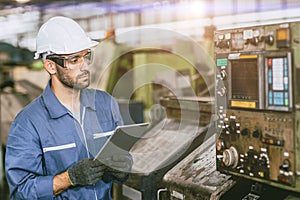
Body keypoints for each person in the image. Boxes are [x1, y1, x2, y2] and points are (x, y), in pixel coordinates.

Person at [5, 16, 132, 199]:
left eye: (86, 56)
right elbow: (21, 191)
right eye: (74, 60)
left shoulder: (105, 104)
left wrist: (123, 167)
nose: (85, 66)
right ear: (50, 66)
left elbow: (124, 156)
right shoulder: (28, 123)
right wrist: (69, 178)